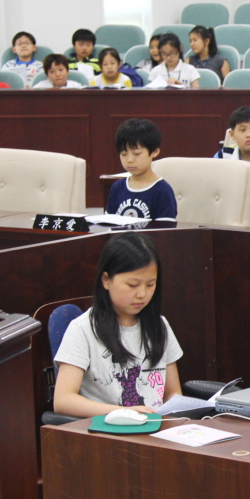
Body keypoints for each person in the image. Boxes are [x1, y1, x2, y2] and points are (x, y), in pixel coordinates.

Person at [53, 232, 183, 417]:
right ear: (106, 280)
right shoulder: (82, 329)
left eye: (150, 285)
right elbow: (63, 400)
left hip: (156, 429)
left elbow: (172, 393)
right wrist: (123, 412)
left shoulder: (159, 325)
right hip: (109, 433)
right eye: (132, 285)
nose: (142, 294)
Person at [105, 118, 178, 221]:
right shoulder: (117, 188)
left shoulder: (162, 191)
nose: (130, 160)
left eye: (137, 154)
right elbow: (108, 224)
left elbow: (164, 233)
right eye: (124, 154)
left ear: (155, 152)